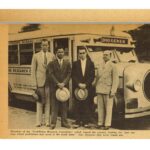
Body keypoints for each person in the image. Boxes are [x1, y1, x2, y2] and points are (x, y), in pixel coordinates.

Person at [47, 47, 71, 129]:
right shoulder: (51, 63)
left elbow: (69, 74)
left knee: (64, 106)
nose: (60, 53)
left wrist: (64, 83)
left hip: (64, 88)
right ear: (56, 53)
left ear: (64, 53)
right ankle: (53, 123)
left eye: (62, 52)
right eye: (59, 52)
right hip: (55, 88)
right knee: (54, 106)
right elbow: (50, 74)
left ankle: (64, 122)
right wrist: (57, 83)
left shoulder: (67, 63)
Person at [31, 39, 53, 127]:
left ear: (48, 46)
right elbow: (33, 71)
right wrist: (34, 84)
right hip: (39, 83)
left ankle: (47, 121)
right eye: (43, 45)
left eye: (46, 45)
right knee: (39, 102)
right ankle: (38, 122)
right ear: (41, 46)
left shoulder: (52, 56)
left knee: (48, 103)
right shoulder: (35, 56)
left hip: (49, 83)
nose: (45, 47)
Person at [95, 50, 119, 130]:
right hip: (99, 89)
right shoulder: (100, 65)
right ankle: (100, 123)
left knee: (108, 108)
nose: (104, 56)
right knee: (100, 108)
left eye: (106, 55)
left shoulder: (113, 66)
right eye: (104, 55)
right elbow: (97, 77)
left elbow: (115, 80)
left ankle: (107, 124)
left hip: (108, 90)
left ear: (110, 56)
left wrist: (113, 91)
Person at [72, 47, 95, 128]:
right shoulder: (75, 63)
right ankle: (78, 121)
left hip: (87, 87)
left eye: (83, 53)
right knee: (78, 104)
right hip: (78, 88)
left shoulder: (91, 63)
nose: (81, 54)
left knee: (86, 104)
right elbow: (73, 75)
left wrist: (86, 84)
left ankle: (85, 122)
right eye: (80, 53)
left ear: (86, 53)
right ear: (78, 54)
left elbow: (92, 76)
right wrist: (78, 84)